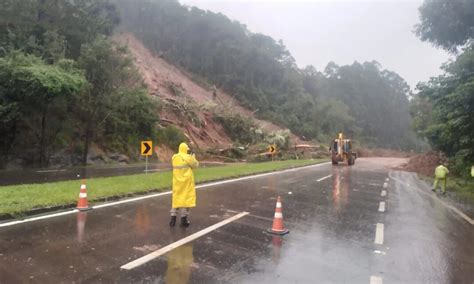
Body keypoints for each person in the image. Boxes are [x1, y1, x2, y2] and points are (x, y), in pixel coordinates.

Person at [170, 142, 199, 227]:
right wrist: (193, 157)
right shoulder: (188, 157)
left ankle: (172, 219)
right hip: (186, 182)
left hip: (177, 182)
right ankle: (184, 220)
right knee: (185, 201)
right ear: (186, 149)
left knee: (176, 200)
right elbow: (196, 165)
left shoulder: (174, 157)